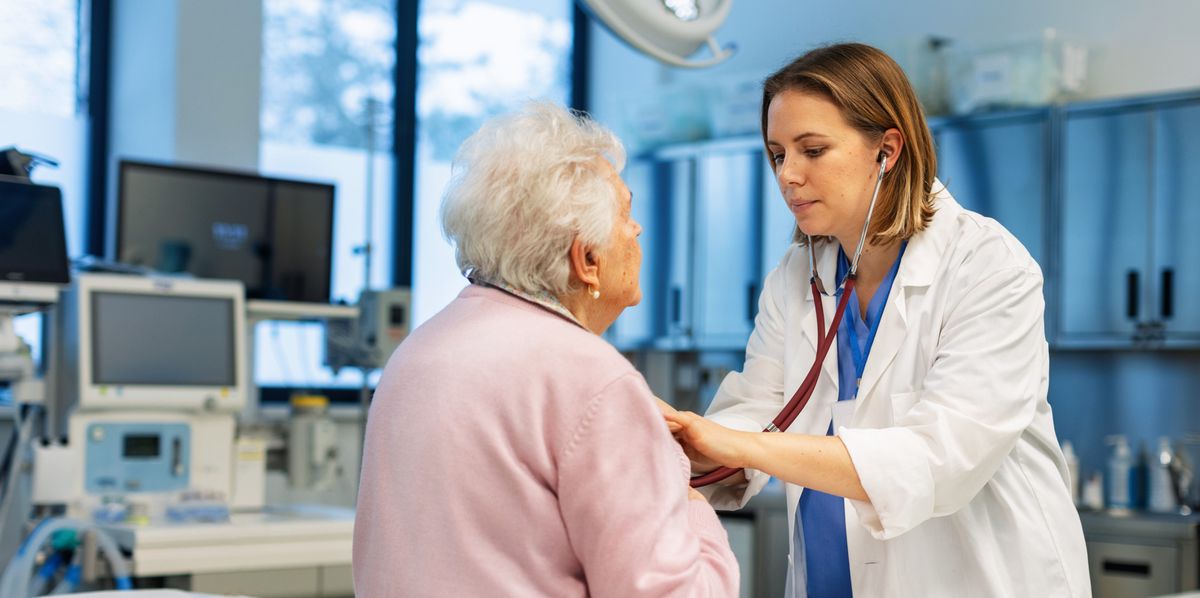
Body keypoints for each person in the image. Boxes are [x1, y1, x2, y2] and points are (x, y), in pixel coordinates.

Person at [663, 43, 1090, 597]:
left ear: (886, 150)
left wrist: (738, 445)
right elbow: (756, 412)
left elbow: (940, 456)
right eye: (777, 154)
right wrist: (680, 442)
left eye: (812, 150)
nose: (788, 175)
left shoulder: (986, 266)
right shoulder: (796, 277)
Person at [353, 102, 739, 597]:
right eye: (626, 213)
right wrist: (681, 492)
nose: (637, 229)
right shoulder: (592, 377)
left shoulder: (418, 350)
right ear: (587, 259)